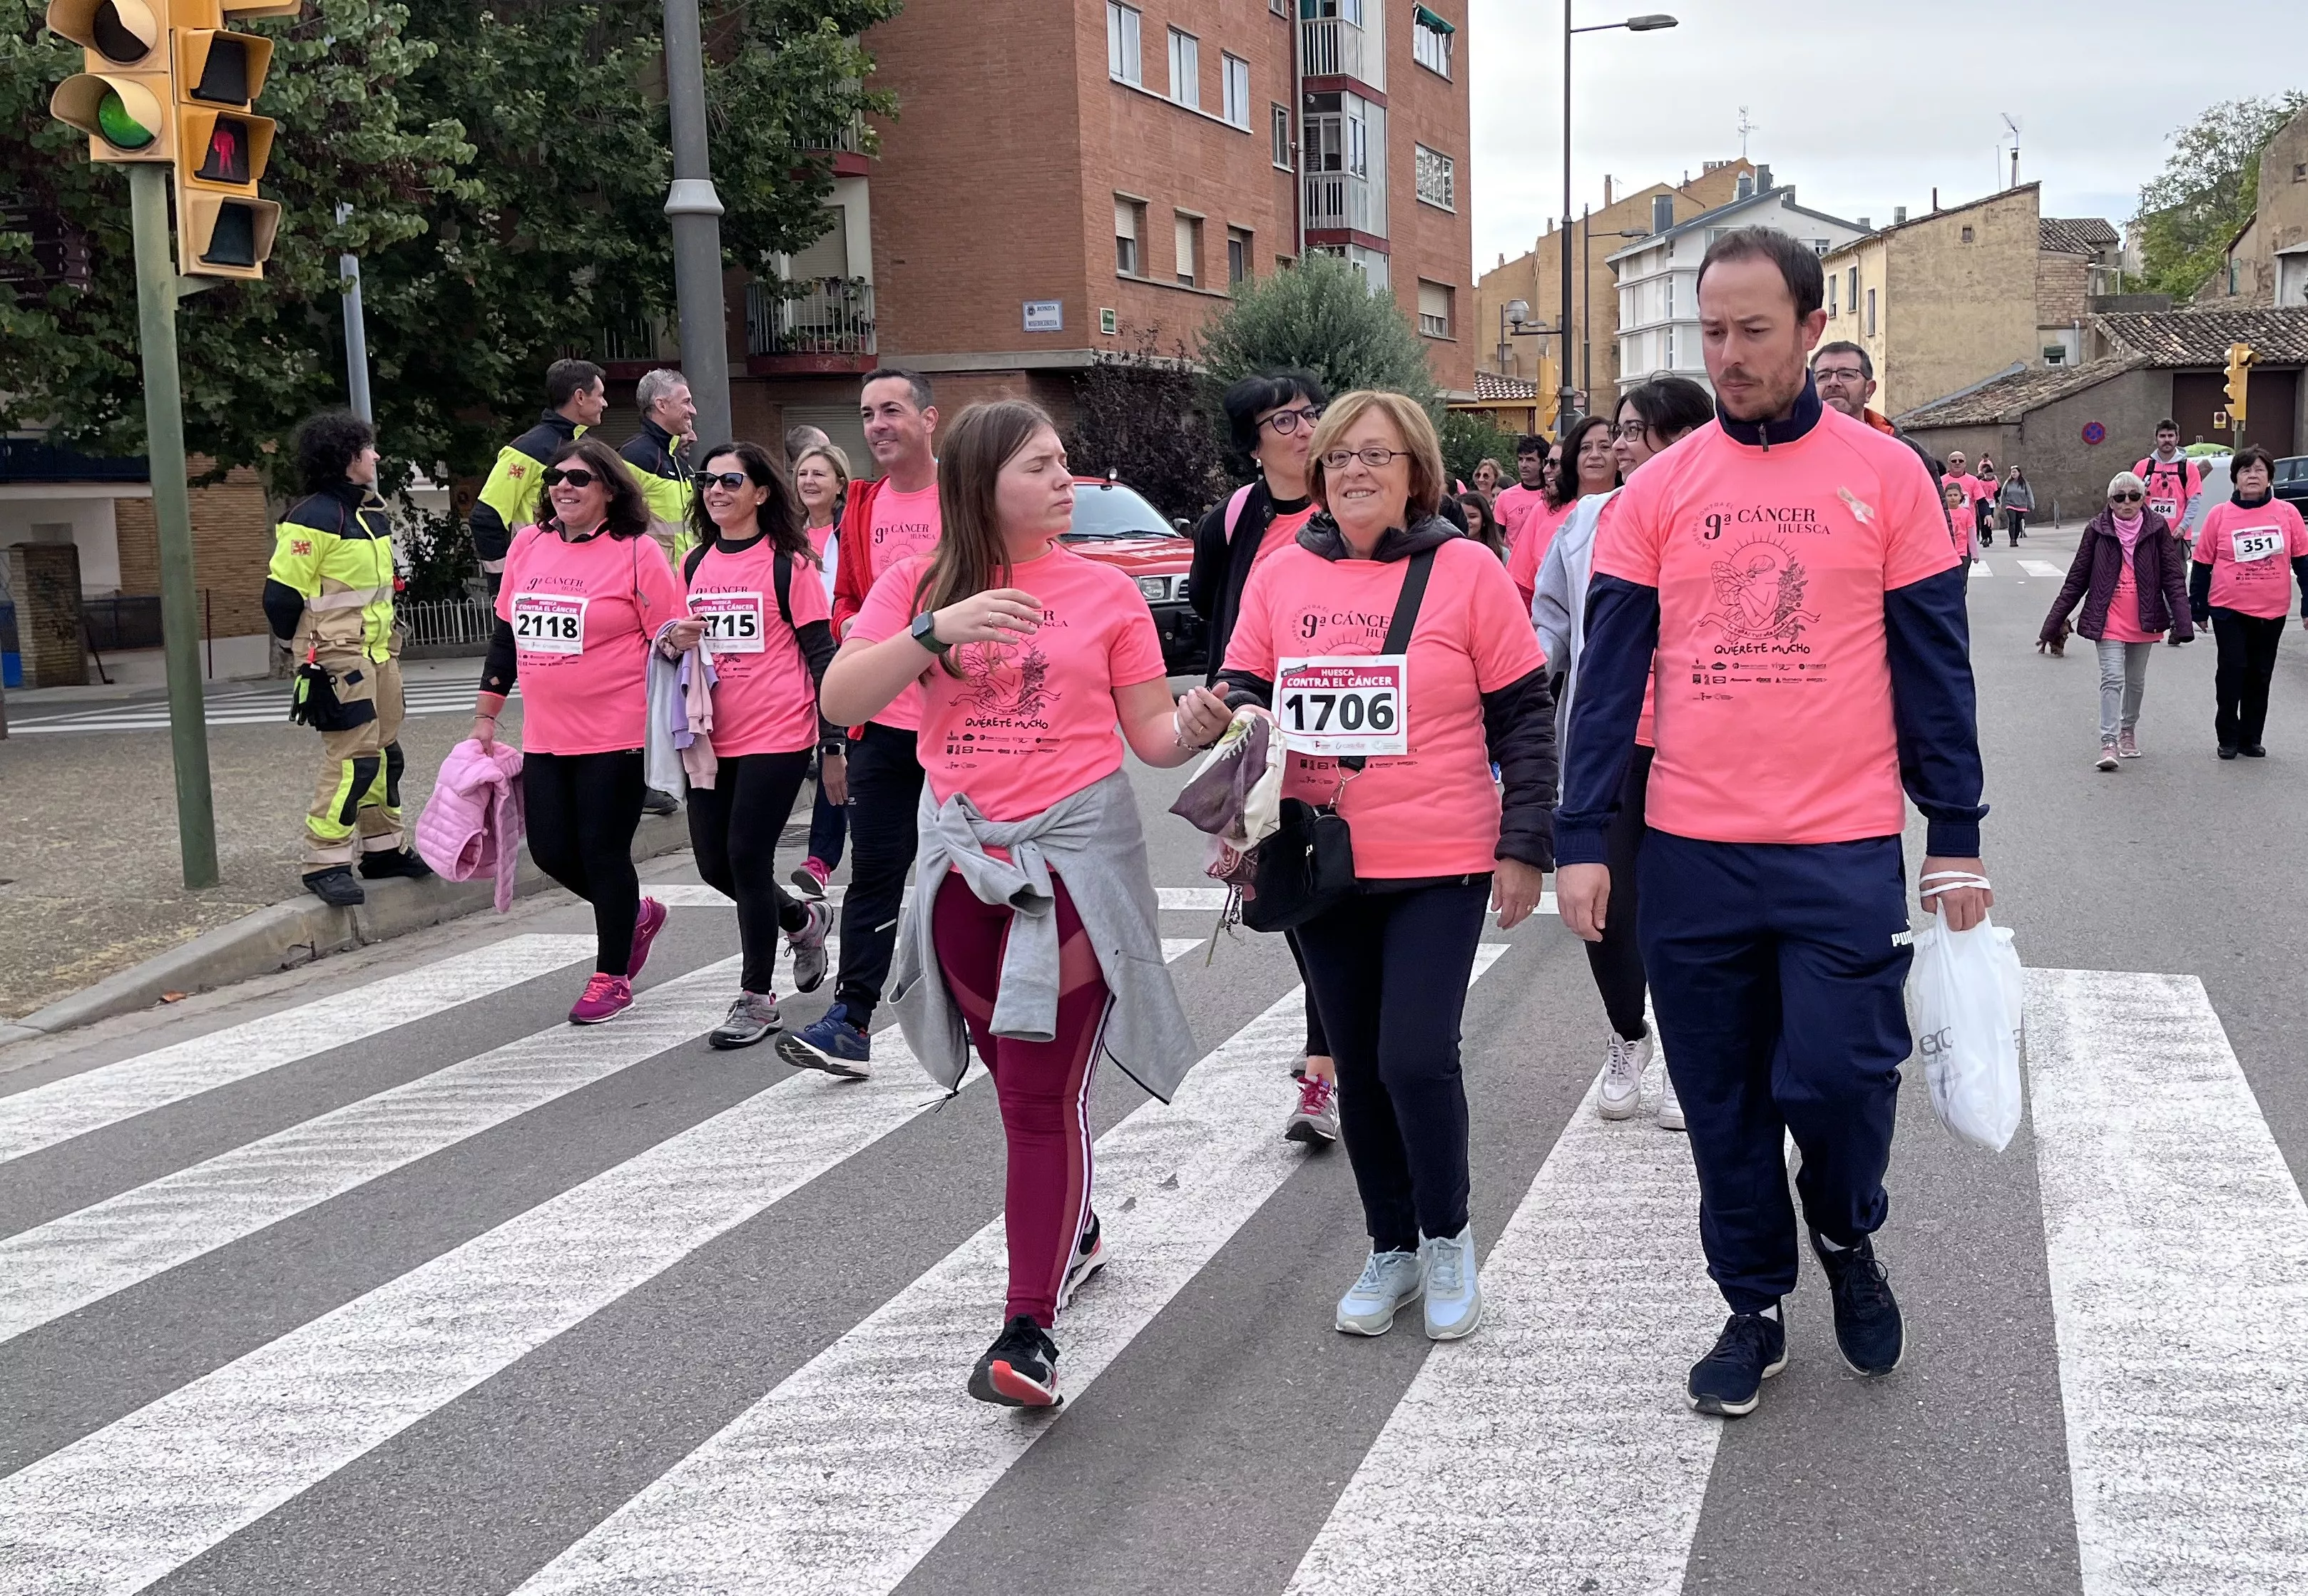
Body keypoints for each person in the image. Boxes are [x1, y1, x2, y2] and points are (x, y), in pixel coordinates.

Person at [1556, 227, 1990, 1419]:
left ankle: (1846, 1235)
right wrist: (1584, 834)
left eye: (1756, 330)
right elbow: (1606, 679)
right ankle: (1752, 1301)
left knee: (1843, 1078)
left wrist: (1952, 826)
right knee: (1725, 1096)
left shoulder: (1887, 477)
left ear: (1810, 330)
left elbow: (1933, 668)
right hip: (1693, 848)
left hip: (1839, 843)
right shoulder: (1658, 490)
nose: (1732, 355)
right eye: (1714, 332)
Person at [822, 399, 1222, 1407]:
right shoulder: (919, 585)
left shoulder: (1105, 594)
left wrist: (1201, 719)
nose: (1063, 480)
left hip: (1072, 871)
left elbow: (1153, 740)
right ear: (981, 481)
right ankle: (1072, 1229)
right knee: (1019, 1094)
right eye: (1040, 466)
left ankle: (1027, 1329)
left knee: (1042, 1101)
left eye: (1062, 463)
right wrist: (932, 629)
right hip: (962, 869)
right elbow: (841, 700)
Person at [1216, 389, 1557, 1344]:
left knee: (1413, 1053)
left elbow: (1526, 714)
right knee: (1359, 1065)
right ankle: (1392, 1245)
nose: (1354, 471)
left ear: (1416, 471)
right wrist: (1227, 752)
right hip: (1321, 858)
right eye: (1337, 458)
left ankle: (1447, 1235)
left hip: (1441, 857)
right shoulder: (1283, 573)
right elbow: (1246, 687)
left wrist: (1525, 842)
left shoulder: (1467, 570)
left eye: (1376, 455)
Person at [1533, 375, 1713, 1127]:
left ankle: (1679, 1045)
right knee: (1601, 901)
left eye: (1642, 433)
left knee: (1686, 908)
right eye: (1623, 432)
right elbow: (1549, 615)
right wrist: (1517, 684)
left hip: (1698, 741)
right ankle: (1626, 1033)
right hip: (1608, 742)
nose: (1624, 447)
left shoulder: (1716, 514)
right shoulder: (1586, 522)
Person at [471, 435, 698, 1023]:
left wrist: (678, 643)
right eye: (554, 478)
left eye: (578, 478)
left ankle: (611, 974)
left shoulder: (637, 553)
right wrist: (486, 715)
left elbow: (666, 637)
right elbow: (506, 636)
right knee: (549, 851)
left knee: (602, 850)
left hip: (616, 730)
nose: (562, 487)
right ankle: (636, 916)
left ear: (608, 490)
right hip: (547, 731)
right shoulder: (529, 545)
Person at [1186, 370, 1341, 1147]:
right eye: (1283, 419)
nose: (1303, 427)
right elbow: (1212, 607)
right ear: (1252, 442)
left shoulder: (1349, 499)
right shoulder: (1232, 519)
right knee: (1289, 896)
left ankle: (1323, 1073)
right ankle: (1335, 1040)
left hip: (1344, 729)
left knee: (1331, 894)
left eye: (1309, 412)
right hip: (1261, 735)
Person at [777, 369, 944, 1077]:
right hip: (885, 722)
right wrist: (876, 633)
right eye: (867, 414)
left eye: (892, 411)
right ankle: (850, 1021)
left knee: (974, 873)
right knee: (875, 873)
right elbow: (843, 602)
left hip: (964, 726)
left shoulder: (966, 495)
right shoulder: (862, 506)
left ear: (928, 419)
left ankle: (995, 1006)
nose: (877, 425)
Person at [679, 441, 839, 1048]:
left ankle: (756, 998)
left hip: (778, 732)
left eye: (730, 480)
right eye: (709, 481)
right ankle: (802, 918)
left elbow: (822, 655)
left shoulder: (787, 564)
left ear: (762, 493)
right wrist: (673, 640)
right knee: (714, 863)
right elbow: (676, 646)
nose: (716, 490)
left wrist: (832, 744)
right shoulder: (692, 565)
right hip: (710, 738)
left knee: (746, 856)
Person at [262, 411, 434, 907]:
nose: (375, 457)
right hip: (337, 659)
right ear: (346, 457)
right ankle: (325, 861)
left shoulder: (368, 512)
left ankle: (383, 849)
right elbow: (280, 597)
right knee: (351, 760)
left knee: (384, 755)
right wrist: (303, 655)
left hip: (378, 653)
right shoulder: (310, 518)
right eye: (367, 448)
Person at [2038, 471, 2193, 769]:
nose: (2127, 502)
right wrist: (2052, 624)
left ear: (2143, 499)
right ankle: (2108, 742)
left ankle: (2128, 731)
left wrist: (2182, 622)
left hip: (2145, 617)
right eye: (2120, 497)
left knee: (2135, 681)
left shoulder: (2157, 528)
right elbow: (2076, 580)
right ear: (2110, 501)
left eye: (2134, 496)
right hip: (2107, 616)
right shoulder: (2096, 530)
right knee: (2112, 678)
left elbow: (2173, 578)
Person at [2189, 445, 2308, 759]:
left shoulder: (2288, 514)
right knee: (2232, 670)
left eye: (2259, 470)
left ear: (2269, 477)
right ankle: (2227, 737)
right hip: (2228, 609)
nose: (2252, 475)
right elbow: (2202, 564)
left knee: (2260, 673)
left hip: (2273, 611)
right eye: (2245, 470)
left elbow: (2303, 563)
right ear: (2235, 479)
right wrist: (2197, 607)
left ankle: (2250, 737)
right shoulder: (2219, 515)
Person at [620, 368, 700, 819]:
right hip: (649, 596)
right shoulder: (637, 456)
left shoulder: (675, 458)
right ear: (661, 405)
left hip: (678, 592)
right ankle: (642, 781)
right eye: (684, 400)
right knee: (645, 690)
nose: (692, 409)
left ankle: (667, 773)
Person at [470, 359, 605, 595]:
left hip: (572, 576)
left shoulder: (580, 446)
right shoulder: (529, 449)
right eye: (600, 395)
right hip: (536, 580)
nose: (605, 403)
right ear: (580, 397)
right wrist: (504, 581)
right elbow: (486, 517)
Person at [790, 441, 854, 896]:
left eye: (819, 474)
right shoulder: (784, 534)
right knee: (823, 754)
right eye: (802, 474)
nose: (809, 482)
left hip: (845, 653)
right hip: (796, 657)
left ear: (839, 485)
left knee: (839, 754)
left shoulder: (850, 532)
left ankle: (820, 859)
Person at [1810, 342, 1945, 511]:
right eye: (1823, 376)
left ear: (1869, 390)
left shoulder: (1908, 455)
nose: (1833, 382)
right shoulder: (1788, 448)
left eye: (1847, 374)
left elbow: (1934, 528)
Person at [1508, 411, 1618, 607]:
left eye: (1604, 447)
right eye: (1585, 448)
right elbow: (1520, 589)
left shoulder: (1631, 508)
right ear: (1573, 459)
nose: (1595, 455)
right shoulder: (1543, 511)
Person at [2135, 420, 2204, 553]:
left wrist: (2183, 527)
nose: (2167, 440)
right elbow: (2132, 499)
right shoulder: (2142, 467)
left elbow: (2194, 502)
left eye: (2171, 436)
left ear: (2177, 439)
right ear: (2156, 439)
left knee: (2176, 573)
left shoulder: (2189, 468)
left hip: (2178, 536)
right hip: (2147, 535)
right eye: (2162, 436)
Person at [1492, 435, 1552, 551]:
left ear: (1543, 463)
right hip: (1514, 565)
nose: (1524, 465)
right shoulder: (1505, 497)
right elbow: (1497, 538)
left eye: (1530, 460)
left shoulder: (1553, 495)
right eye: (1521, 459)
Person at [1459, 491, 1507, 559]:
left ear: (1484, 520)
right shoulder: (1447, 551)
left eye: (1472, 517)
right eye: (1462, 516)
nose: (1466, 521)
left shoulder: (1502, 554)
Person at [1944, 481, 1978, 564]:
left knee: (1962, 576)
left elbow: (1972, 535)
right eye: (1949, 495)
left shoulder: (1966, 514)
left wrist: (1975, 554)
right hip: (1945, 553)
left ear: (1961, 497)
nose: (1953, 498)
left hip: (1962, 553)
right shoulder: (1942, 513)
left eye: (1955, 495)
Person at [1998, 467, 2034, 543]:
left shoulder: (2024, 482)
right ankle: (2012, 539)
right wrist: (2002, 503)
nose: (2013, 474)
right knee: (2012, 521)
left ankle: (2016, 536)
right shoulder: (2008, 482)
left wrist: (2031, 505)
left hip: (2021, 505)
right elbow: (2003, 493)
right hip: (2010, 504)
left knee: (2018, 522)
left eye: (2015, 472)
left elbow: (2029, 494)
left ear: (2019, 473)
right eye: (2012, 472)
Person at [1973, 461, 1999, 547]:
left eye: (1991, 475)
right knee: (1982, 521)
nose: (1989, 477)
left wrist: (1998, 502)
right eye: (1988, 475)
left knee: (1989, 520)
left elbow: (1996, 493)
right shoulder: (1980, 482)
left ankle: (1989, 536)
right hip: (1982, 502)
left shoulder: (1994, 482)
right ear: (1984, 475)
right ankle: (1984, 537)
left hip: (1991, 503)